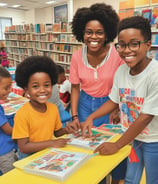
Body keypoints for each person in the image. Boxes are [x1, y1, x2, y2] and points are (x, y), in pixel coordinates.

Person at [81, 16, 158, 184]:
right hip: (134, 139)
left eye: (134, 43)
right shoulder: (122, 71)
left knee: (153, 180)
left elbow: (146, 117)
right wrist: (91, 117)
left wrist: (117, 145)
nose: (126, 50)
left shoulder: (155, 74)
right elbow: (114, 100)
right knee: (130, 178)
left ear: (148, 44)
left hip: (154, 140)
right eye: (121, 45)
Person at [67, 3, 126, 184]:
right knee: (88, 149)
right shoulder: (77, 56)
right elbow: (75, 87)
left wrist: (116, 110)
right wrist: (75, 114)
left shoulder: (117, 55)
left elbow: (122, 87)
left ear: (107, 33)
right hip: (84, 104)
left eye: (99, 32)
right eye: (88, 32)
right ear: (81, 33)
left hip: (110, 105)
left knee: (113, 148)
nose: (93, 37)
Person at [12, 56, 72, 160]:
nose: (42, 90)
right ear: (26, 89)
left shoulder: (53, 108)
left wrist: (67, 129)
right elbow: (23, 147)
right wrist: (52, 143)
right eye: (35, 86)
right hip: (29, 159)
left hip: (47, 155)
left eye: (46, 85)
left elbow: (56, 132)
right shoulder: (22, 114)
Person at [0, 66, 17, 174]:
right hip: (4, 151)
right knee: (11, 175)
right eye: (6, 88)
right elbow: (8, 130)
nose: (9, 91)